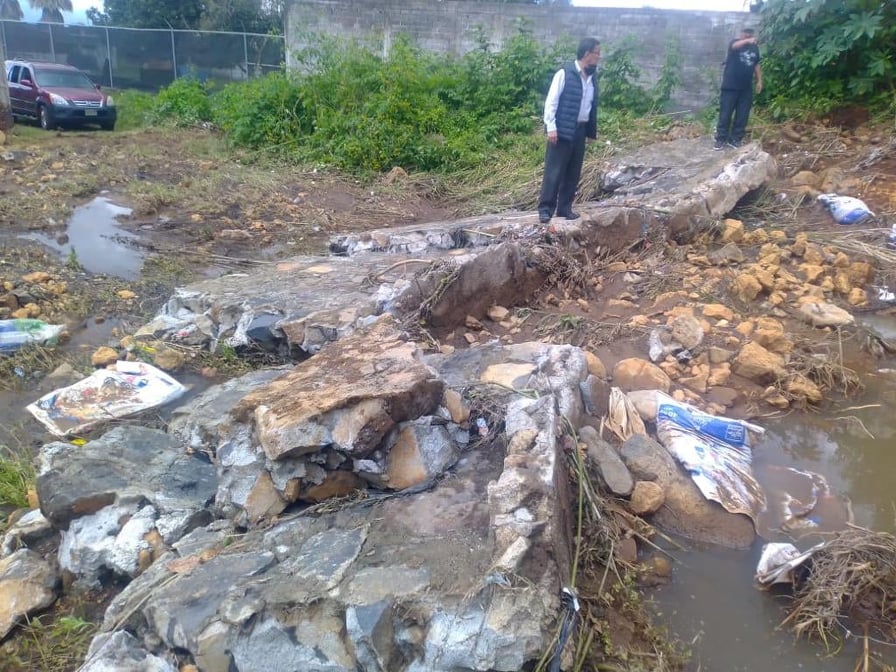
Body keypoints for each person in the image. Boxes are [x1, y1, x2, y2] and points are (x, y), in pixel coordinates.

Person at [537, 37, 601, 224]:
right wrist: (551, 127)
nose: (599, 57)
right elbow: (551, 101)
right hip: (561, 130)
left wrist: (590, 132)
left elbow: (591, 106)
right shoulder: (565, 73)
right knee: (554, 171)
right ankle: (545, 209)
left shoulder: (592, 78)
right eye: (597, 53)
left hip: (580, 130)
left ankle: (565, 208)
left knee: (573, 172)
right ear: (587, 54)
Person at [714, 28, 763, 150]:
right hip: (730, 87)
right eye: (746, 32)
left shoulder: (754, 48)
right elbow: (735, 46)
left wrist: (759, 81)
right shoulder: (735, 43)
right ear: (741, 34)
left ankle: (735, 139)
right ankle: (721, 139)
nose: (748, 34)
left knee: (742, 115)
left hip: (746, 88)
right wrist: (747, 41)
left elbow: (756, 64)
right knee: (725, 114)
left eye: (750, 33)